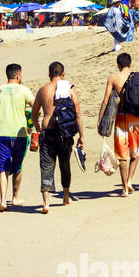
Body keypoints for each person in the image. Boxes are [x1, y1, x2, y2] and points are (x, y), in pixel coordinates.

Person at [0, 63, 36, 212]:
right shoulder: (24, 90)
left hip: (1, 135)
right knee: (18, 167)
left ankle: (3, 201)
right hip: (20, 135)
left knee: (3, 169)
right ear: (18, 76)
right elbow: (36, 108)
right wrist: (33, 123)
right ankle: (15, 197)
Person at [99, 52, 139, 197]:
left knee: (121, 154)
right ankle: (130, 180)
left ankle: (124, 187)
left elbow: (106, 100)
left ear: (118, 65)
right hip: (137, 118)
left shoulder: (113, 78)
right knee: (135, 151)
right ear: (130, 64)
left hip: (121, 118)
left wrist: (100, 120)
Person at [30, 61, 83, 214]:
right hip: (65, 133)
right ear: (63, 74)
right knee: (64, 165)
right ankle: (65, 197)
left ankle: (46, 203)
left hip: (48, 132)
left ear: (49, 73)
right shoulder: (69, 88)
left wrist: (38, 128)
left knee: (47, 166)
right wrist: (82, 136)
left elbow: (35, 113)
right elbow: (77, 114)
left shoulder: (43, 90)